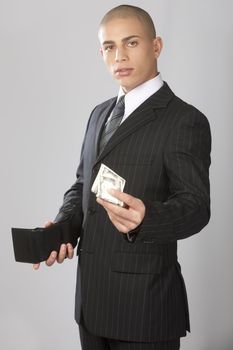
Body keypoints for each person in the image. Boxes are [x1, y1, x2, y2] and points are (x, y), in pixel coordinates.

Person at [33, 5, 211, 350]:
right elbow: (84, 185)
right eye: (110, 46)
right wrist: (62, 229)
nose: (120, 56)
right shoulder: (99, 114)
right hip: (91, 302)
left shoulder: (184, 120)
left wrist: (147, 217)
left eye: (131, 43)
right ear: (101, 52)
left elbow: (196, 206)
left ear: (156, 46)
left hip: (144, 309)